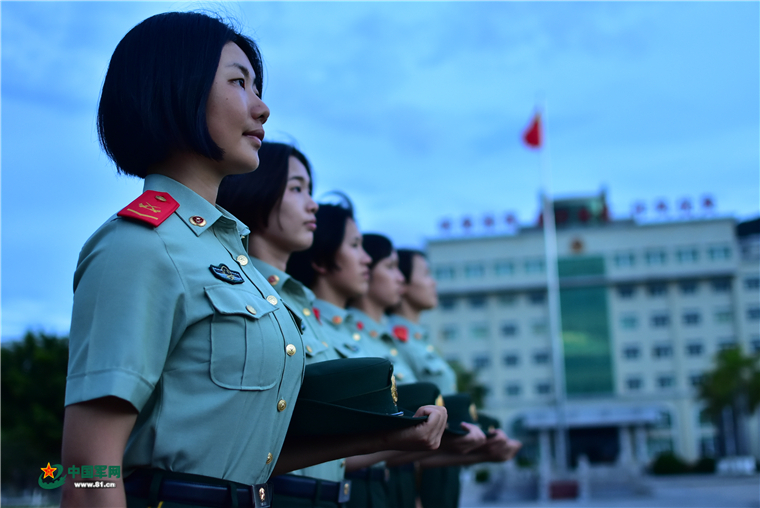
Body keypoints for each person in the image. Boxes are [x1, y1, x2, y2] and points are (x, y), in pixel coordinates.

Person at [61, 14, 445, 508]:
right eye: (238, 83)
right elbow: (88, 466)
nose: (262, 108)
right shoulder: (139, 246)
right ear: (178, 88)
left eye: (256, 88)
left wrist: (388, 437)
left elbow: (245, 461)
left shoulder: (230, 258)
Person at [216, 143, 449, 508]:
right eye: (297, 189)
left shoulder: (302, 308)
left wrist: (401, 439)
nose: (313, 205)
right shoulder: (241, 291)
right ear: (257, 190)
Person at [390, 249, 524, 508]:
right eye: (426, 274)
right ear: (403, 283)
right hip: (416, 468)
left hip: (441, 459)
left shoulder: (420, 340)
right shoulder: (394, 341)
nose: (433, 282)